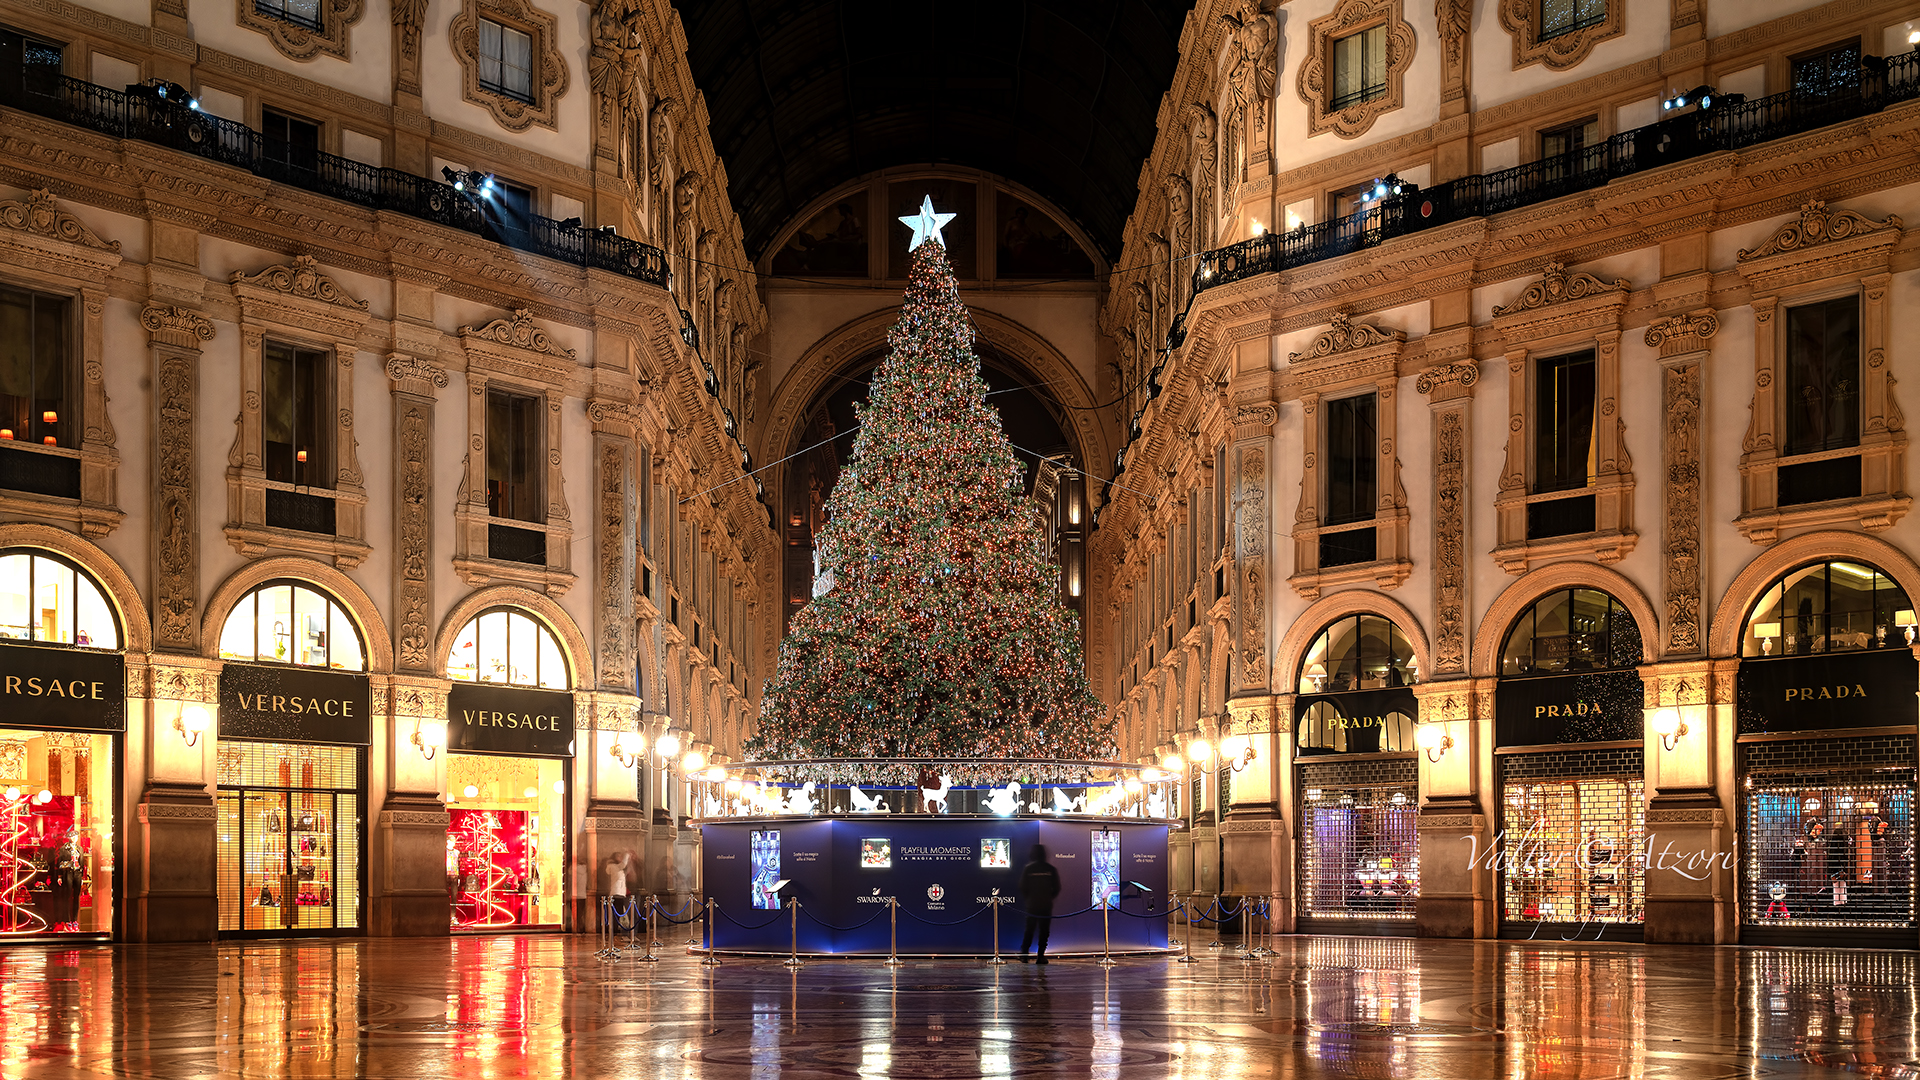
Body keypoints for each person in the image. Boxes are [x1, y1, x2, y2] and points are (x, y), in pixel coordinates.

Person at [1019, 843, 1061, 964]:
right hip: (1046, 905)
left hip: (1032, 905)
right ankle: (1040, 956)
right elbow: (1057, 888)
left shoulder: (1028, 869)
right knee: (1044, 932)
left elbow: (1022, 886)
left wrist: (1030, 898)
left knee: (1029, 930)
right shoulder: (1051, 869)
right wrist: (1048, 897)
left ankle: (1024, 955)